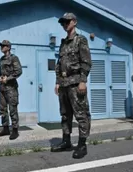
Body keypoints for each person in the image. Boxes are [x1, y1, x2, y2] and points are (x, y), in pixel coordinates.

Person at [50, 13, 92, 159]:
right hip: (63, 85)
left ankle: (82, 145)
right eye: (62, 23)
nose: (64, 24)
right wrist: (57, 82)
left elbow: (86, 62)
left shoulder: (80, 40)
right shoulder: (63, 43)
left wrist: (83, 81)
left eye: (67, 22)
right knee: (65, 115)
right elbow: (59, 64)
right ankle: (66, 141)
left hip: (75, 84)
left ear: (74, 22)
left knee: (81, 115)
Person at [0, 40, 22, 140]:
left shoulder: (14, 58)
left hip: (11, 89)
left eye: (3, 46)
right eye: (1, 46)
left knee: (12, 110)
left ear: (8, 47)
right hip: (2, 88)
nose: (1, 47)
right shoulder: (1, 59)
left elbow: (18, 71)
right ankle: (5, 128)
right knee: (2, 109)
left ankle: (15, 130)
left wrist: (8, 78)